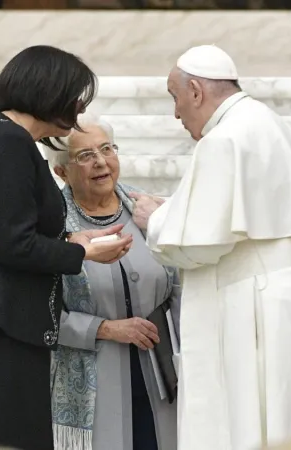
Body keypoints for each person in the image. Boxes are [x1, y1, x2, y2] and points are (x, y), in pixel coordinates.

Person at [129, 44, 291, 450]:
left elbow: (201, 245)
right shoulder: (265, 121)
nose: (176, 112)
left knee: (253, 422)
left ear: (195, 90)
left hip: (255, 302)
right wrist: (178, 209)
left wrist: (155, 222)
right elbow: (235, 216)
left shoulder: (223, 139)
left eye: (175, 97)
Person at [0, 45, 133, 450]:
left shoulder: (3, 137)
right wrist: (83, 253)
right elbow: (15, 245)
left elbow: (6, 233)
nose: (78, 107)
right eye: (74, 96)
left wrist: (72, 240)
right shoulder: (6, 142)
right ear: (48, 93)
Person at [44, 114, 179, 450]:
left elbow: (181, 282)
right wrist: (104, 328)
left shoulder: (147, 210)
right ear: (61, 171)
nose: (101, 161)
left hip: (159, 370)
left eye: (106, 149)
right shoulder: (49, 226)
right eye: (85, 156)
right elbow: (35, 311)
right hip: (92, 377)